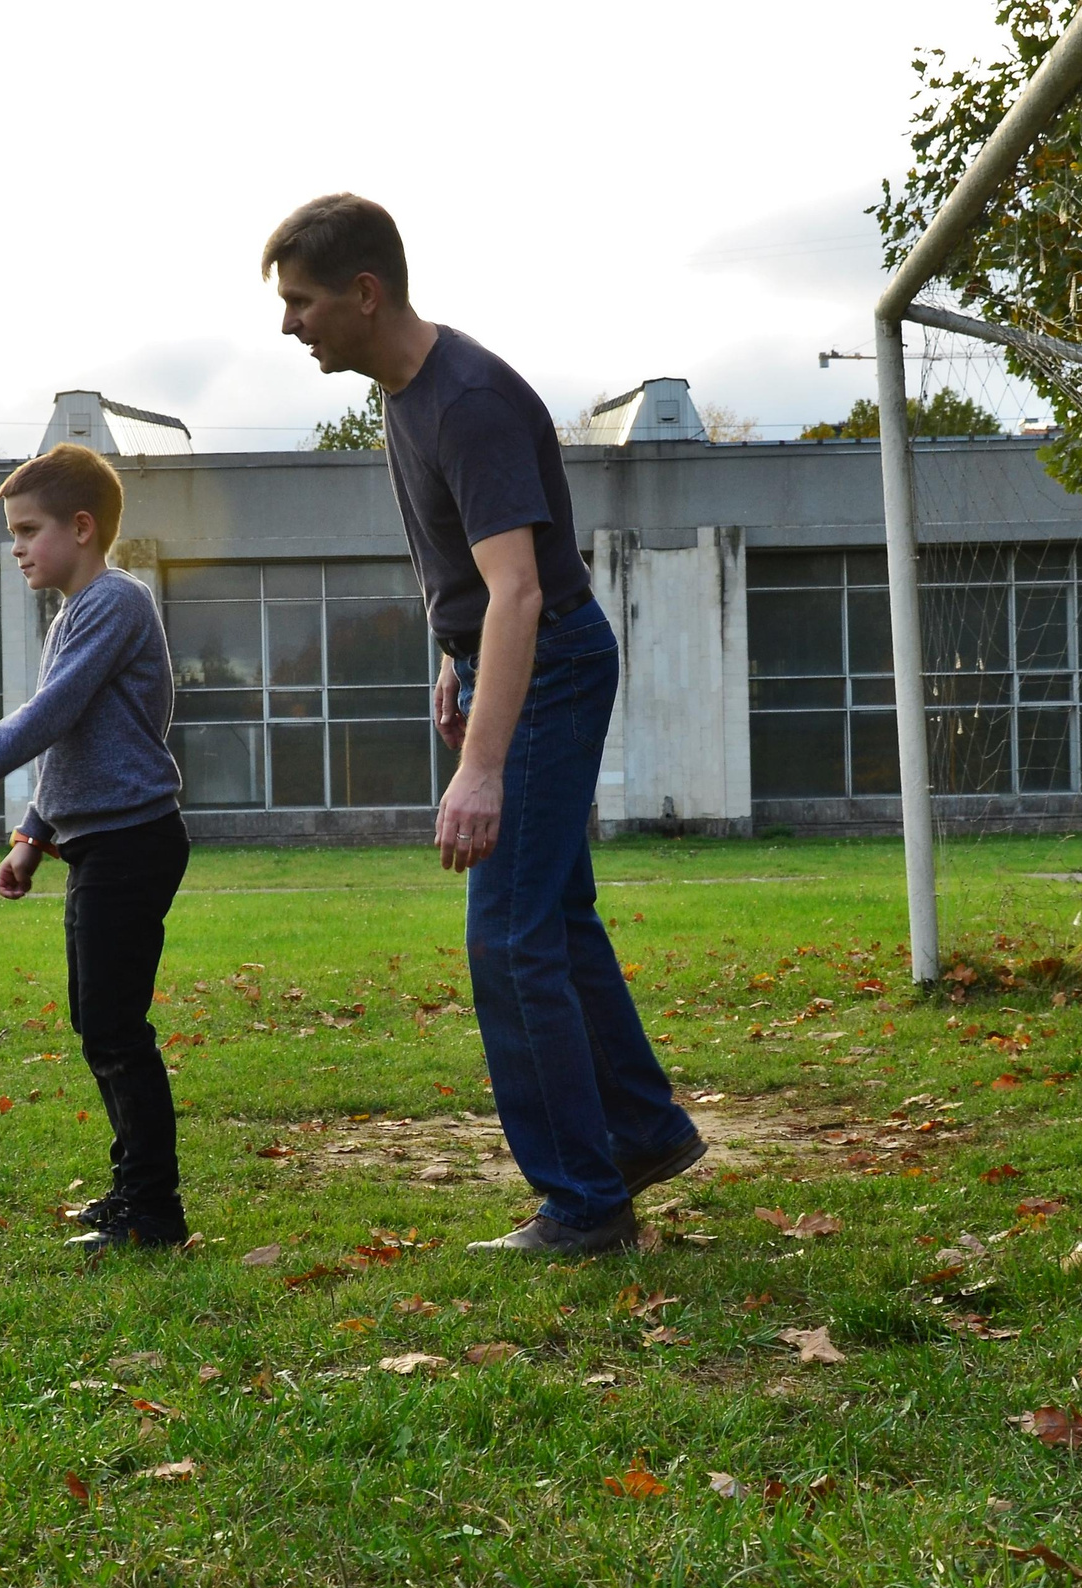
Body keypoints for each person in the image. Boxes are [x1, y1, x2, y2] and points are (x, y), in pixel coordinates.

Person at [264, 193, 706, 1253]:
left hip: (549, 660)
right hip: (514, 653)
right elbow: (476, 574)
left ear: (364, 293)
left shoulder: (466, 400)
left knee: (508, 937)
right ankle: (641, 1134)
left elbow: (520, 590)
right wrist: (450, 656)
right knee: (555, 918)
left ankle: (585, 1206)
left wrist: (482, 771)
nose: (289, 325)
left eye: (302, 302)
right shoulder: (404, 393)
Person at [0, 442, 191, 1251]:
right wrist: (33, 834)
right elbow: (72, 740)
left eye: (28, 531)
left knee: (116, 1029)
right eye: (13, 532)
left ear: (81, 528)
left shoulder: (114, 601)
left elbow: (48, 717)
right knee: (101, 1025)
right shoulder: (76, 613)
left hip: (132, 841)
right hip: (100, 842)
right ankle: (133, 1193)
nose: (17, 547)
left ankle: (153, 1211)